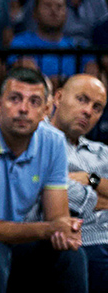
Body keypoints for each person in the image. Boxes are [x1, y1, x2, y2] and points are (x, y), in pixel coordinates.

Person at [0, 67, 88, 293]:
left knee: (71, 253)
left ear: (46, 109)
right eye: (15, 99)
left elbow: (57, 216)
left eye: (34, 101)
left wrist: (64, 230)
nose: (23, 109)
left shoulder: (54, 141)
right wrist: (50, 229)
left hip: (20, 237)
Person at [50, 74, 108, 293]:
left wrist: (91, 179)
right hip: (86, 242)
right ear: (58, 97)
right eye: (82, 100)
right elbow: (57, 197)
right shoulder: (40, 142)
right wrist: (102, 191)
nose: (88, 111)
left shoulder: (102, 152)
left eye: (97, 107)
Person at [11, 0, 90, 80]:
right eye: (47, 6)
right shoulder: (20, 43)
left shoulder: (78, 46)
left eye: (59, 6)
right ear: (35, 13)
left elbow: (91, 72)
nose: (54, 11)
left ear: (66, 14)